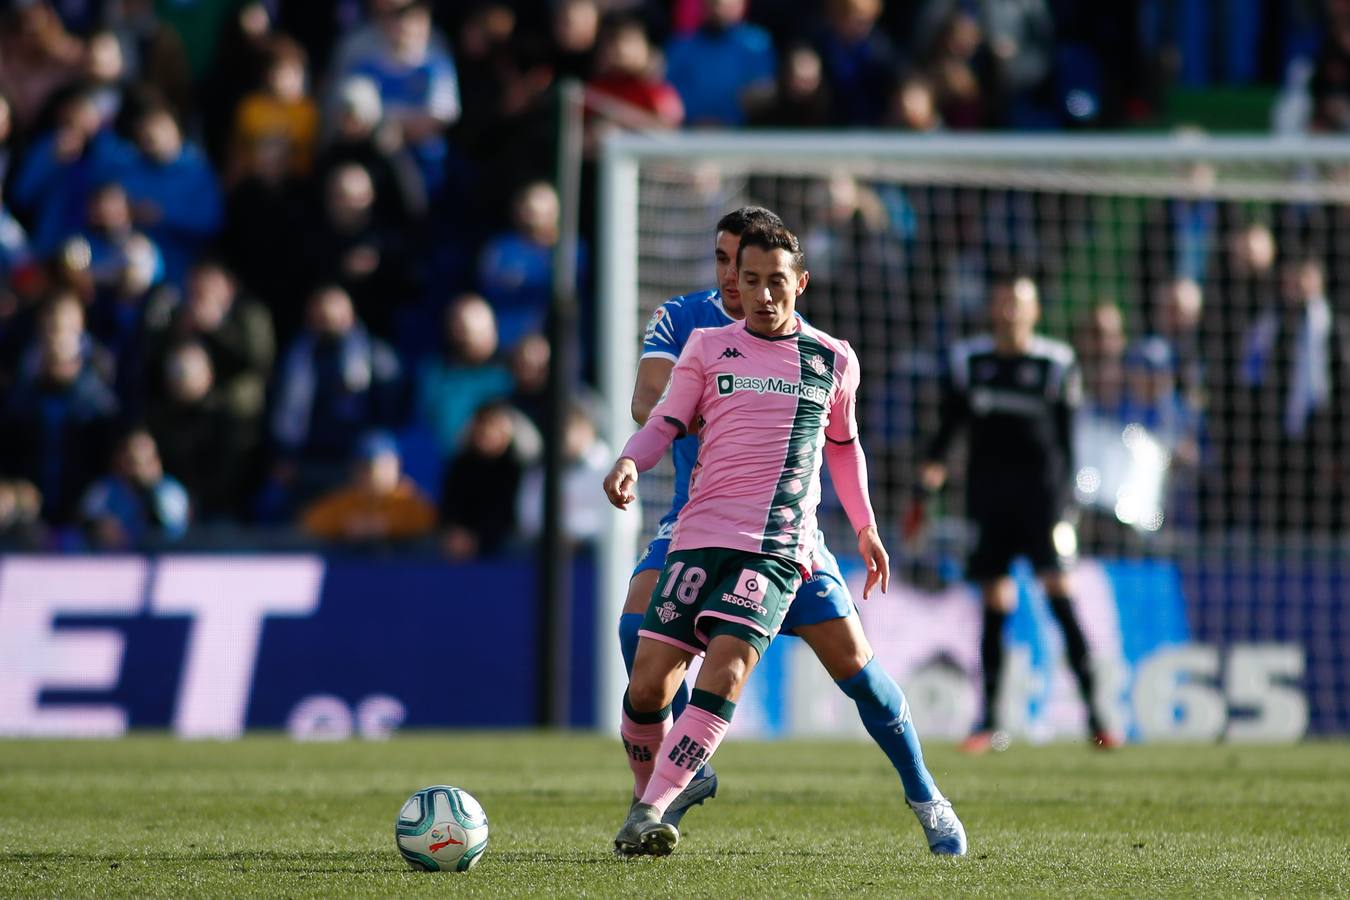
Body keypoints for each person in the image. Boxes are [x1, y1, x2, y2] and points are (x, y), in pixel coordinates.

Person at [604, 221, 963, 859]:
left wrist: (867, 527)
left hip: (786, 545)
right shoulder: (698, 335)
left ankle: (926, 795)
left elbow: (845, 448)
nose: (756, 291)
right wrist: (639, 455)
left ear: (798, 281)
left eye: (773, 280)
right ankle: (657, 793)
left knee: (858, 676)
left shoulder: (830, 357)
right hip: (700, 530)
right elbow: (656, 412)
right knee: (644, 662)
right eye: (743, 275)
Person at [919, 273, 1117, 752]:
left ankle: (1098, 718)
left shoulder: (1056, 364)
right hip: (988, 503)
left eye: (1019, 304)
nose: (1010, 312)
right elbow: (947, 432)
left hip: (1042, 503)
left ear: (1035, 313)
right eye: (1003, 303)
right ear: (993, 308)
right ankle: (989, 722)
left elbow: (1068, 442)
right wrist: (929, 477)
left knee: (1060, 599)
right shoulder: (970, 362)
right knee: (994, 606)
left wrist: (1068, 505)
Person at [300, 430, 437, 544]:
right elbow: (311, 521)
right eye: (365, 467)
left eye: (381, 465)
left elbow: (429, 521)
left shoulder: (409, 498)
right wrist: (346, 524)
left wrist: (386, 525)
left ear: (397, 465)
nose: (372, 474)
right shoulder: (347, 499)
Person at [79, 427, 190, 550]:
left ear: (156, 461)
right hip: (111, 562)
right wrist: (98, 527)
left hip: (165, 563)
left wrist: (152, 491)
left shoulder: (170, 491)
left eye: (146, 460)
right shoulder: (105, 488)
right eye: (132, 460)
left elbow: (174, 532)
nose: (139, 468)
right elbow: (84, 520)